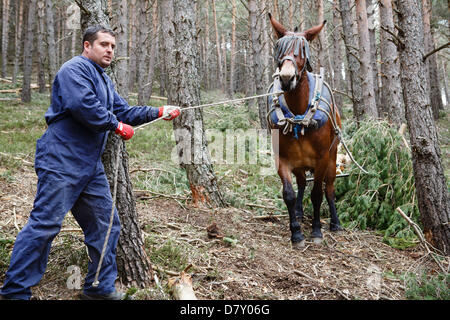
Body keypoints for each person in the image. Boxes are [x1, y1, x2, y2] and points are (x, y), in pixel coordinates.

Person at [0, 25, 180, 300]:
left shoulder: (104, 80)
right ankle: (14, 292)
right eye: (104, 44)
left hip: (89, 166)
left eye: (113, 46)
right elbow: (82, 106)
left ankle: (98, 288)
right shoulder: (74, 70)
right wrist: (116, 126)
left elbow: (123, 111)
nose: (109, 49)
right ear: (87, 46)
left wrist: (158, 111)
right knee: (45, 224)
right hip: (61, 158)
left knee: (106, 224)